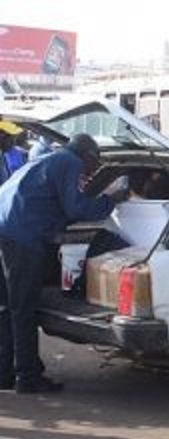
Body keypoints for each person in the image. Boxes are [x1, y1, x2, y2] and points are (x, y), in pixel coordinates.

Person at [0, 133, 127, 394]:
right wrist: (111, 199)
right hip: (22, 236)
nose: (92, 172)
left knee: (7, 308)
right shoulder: (70, 162)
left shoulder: (46, 159)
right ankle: (28, 377)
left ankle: (5, 373)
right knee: (23, 308)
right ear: (87, 155)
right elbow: (76, 209)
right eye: (95, 164)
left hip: (6, 230)